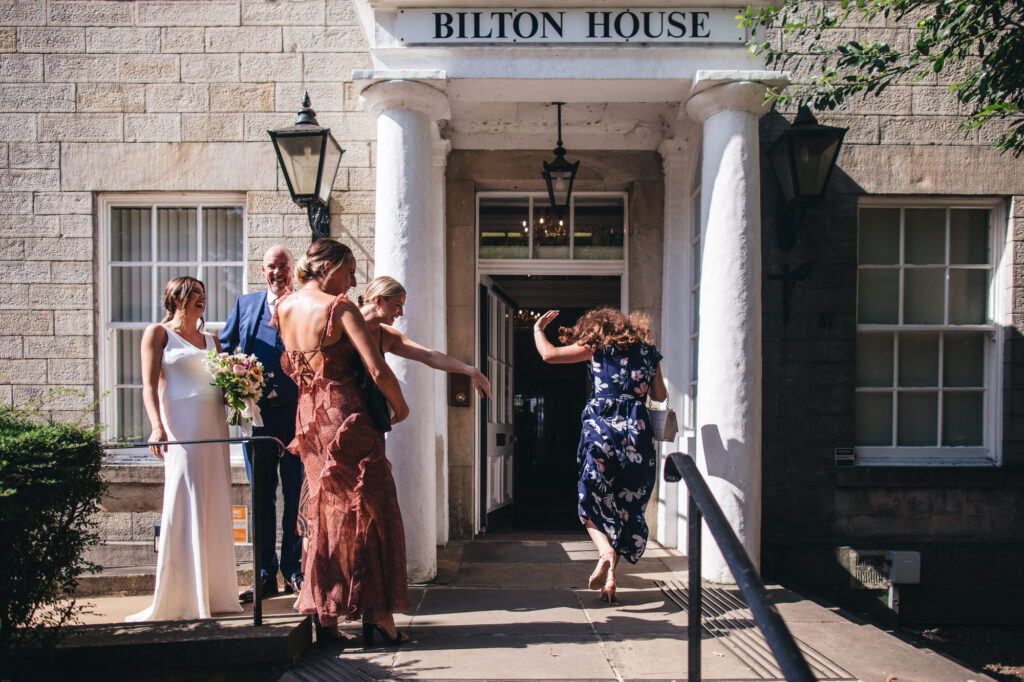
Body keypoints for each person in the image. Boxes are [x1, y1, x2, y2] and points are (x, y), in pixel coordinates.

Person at [273, 239, 412, 646]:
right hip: (347, 419)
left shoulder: (283, 306)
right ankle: (378, 616)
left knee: (323, 512)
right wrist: (400, 408)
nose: (353, 281)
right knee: (371, 509)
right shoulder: (340, 308)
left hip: (309, 420)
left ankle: (326, 618)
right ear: (330, 267)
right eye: (350, 271)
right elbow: (377, 368)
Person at [532, 307, 667, 604]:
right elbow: (659, 396)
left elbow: (549, 355)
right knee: (625, 504)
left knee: (590, 497)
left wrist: (538, 330)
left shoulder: (597, 350)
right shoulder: (649, 353)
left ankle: (604, 551)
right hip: (637, 436)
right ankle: (610, 580)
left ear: (597, 329)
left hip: (603, 432)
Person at [127, 277, 243, 622]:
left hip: (213, 425)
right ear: (175, 298)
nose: (201, 298)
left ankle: (216, 593)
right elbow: (148, 386)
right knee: (186, 494)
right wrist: (156, 426)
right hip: (181, 426)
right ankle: (182, 596)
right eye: (193, 293)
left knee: (214, 498)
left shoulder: (213, 341)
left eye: (203, 293)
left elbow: (222, 385)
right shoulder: (158, 334)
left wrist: (243, 391)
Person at [220, 245, 303, 603]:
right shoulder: (245, 304)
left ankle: (294, 569)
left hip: (296, 415)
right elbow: (224, 350)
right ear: (262, 269)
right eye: (272, 266)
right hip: (257, 418)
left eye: (283, 266)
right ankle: (266, 575)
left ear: (293, 269)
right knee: (262, 497)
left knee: (296, 495)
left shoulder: (303, 304)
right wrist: (231, 386)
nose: (277, 272)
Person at [359, 276, 492, 401]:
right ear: (379, 301)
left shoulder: (387, 337)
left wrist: (471, 371)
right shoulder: (343, 322)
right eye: (398, 305)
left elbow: (428, 356)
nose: (401, 313)